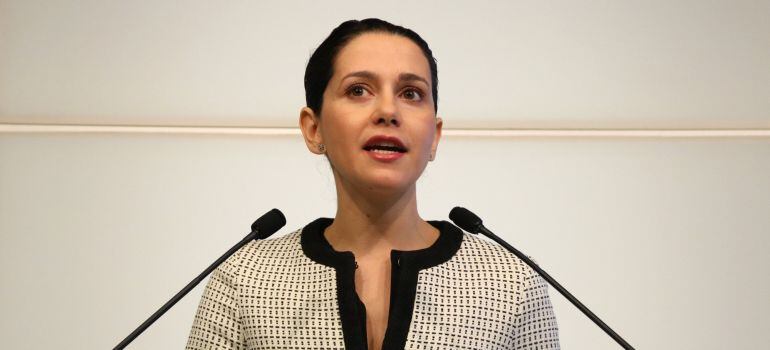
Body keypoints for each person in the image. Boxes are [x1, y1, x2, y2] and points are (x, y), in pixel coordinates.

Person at [186, 18, 560, 350]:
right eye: (359, 90)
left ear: (434, 136)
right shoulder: (244, 280)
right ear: (313, 128)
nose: (387, 112)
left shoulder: (512, 283)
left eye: (411, 93)